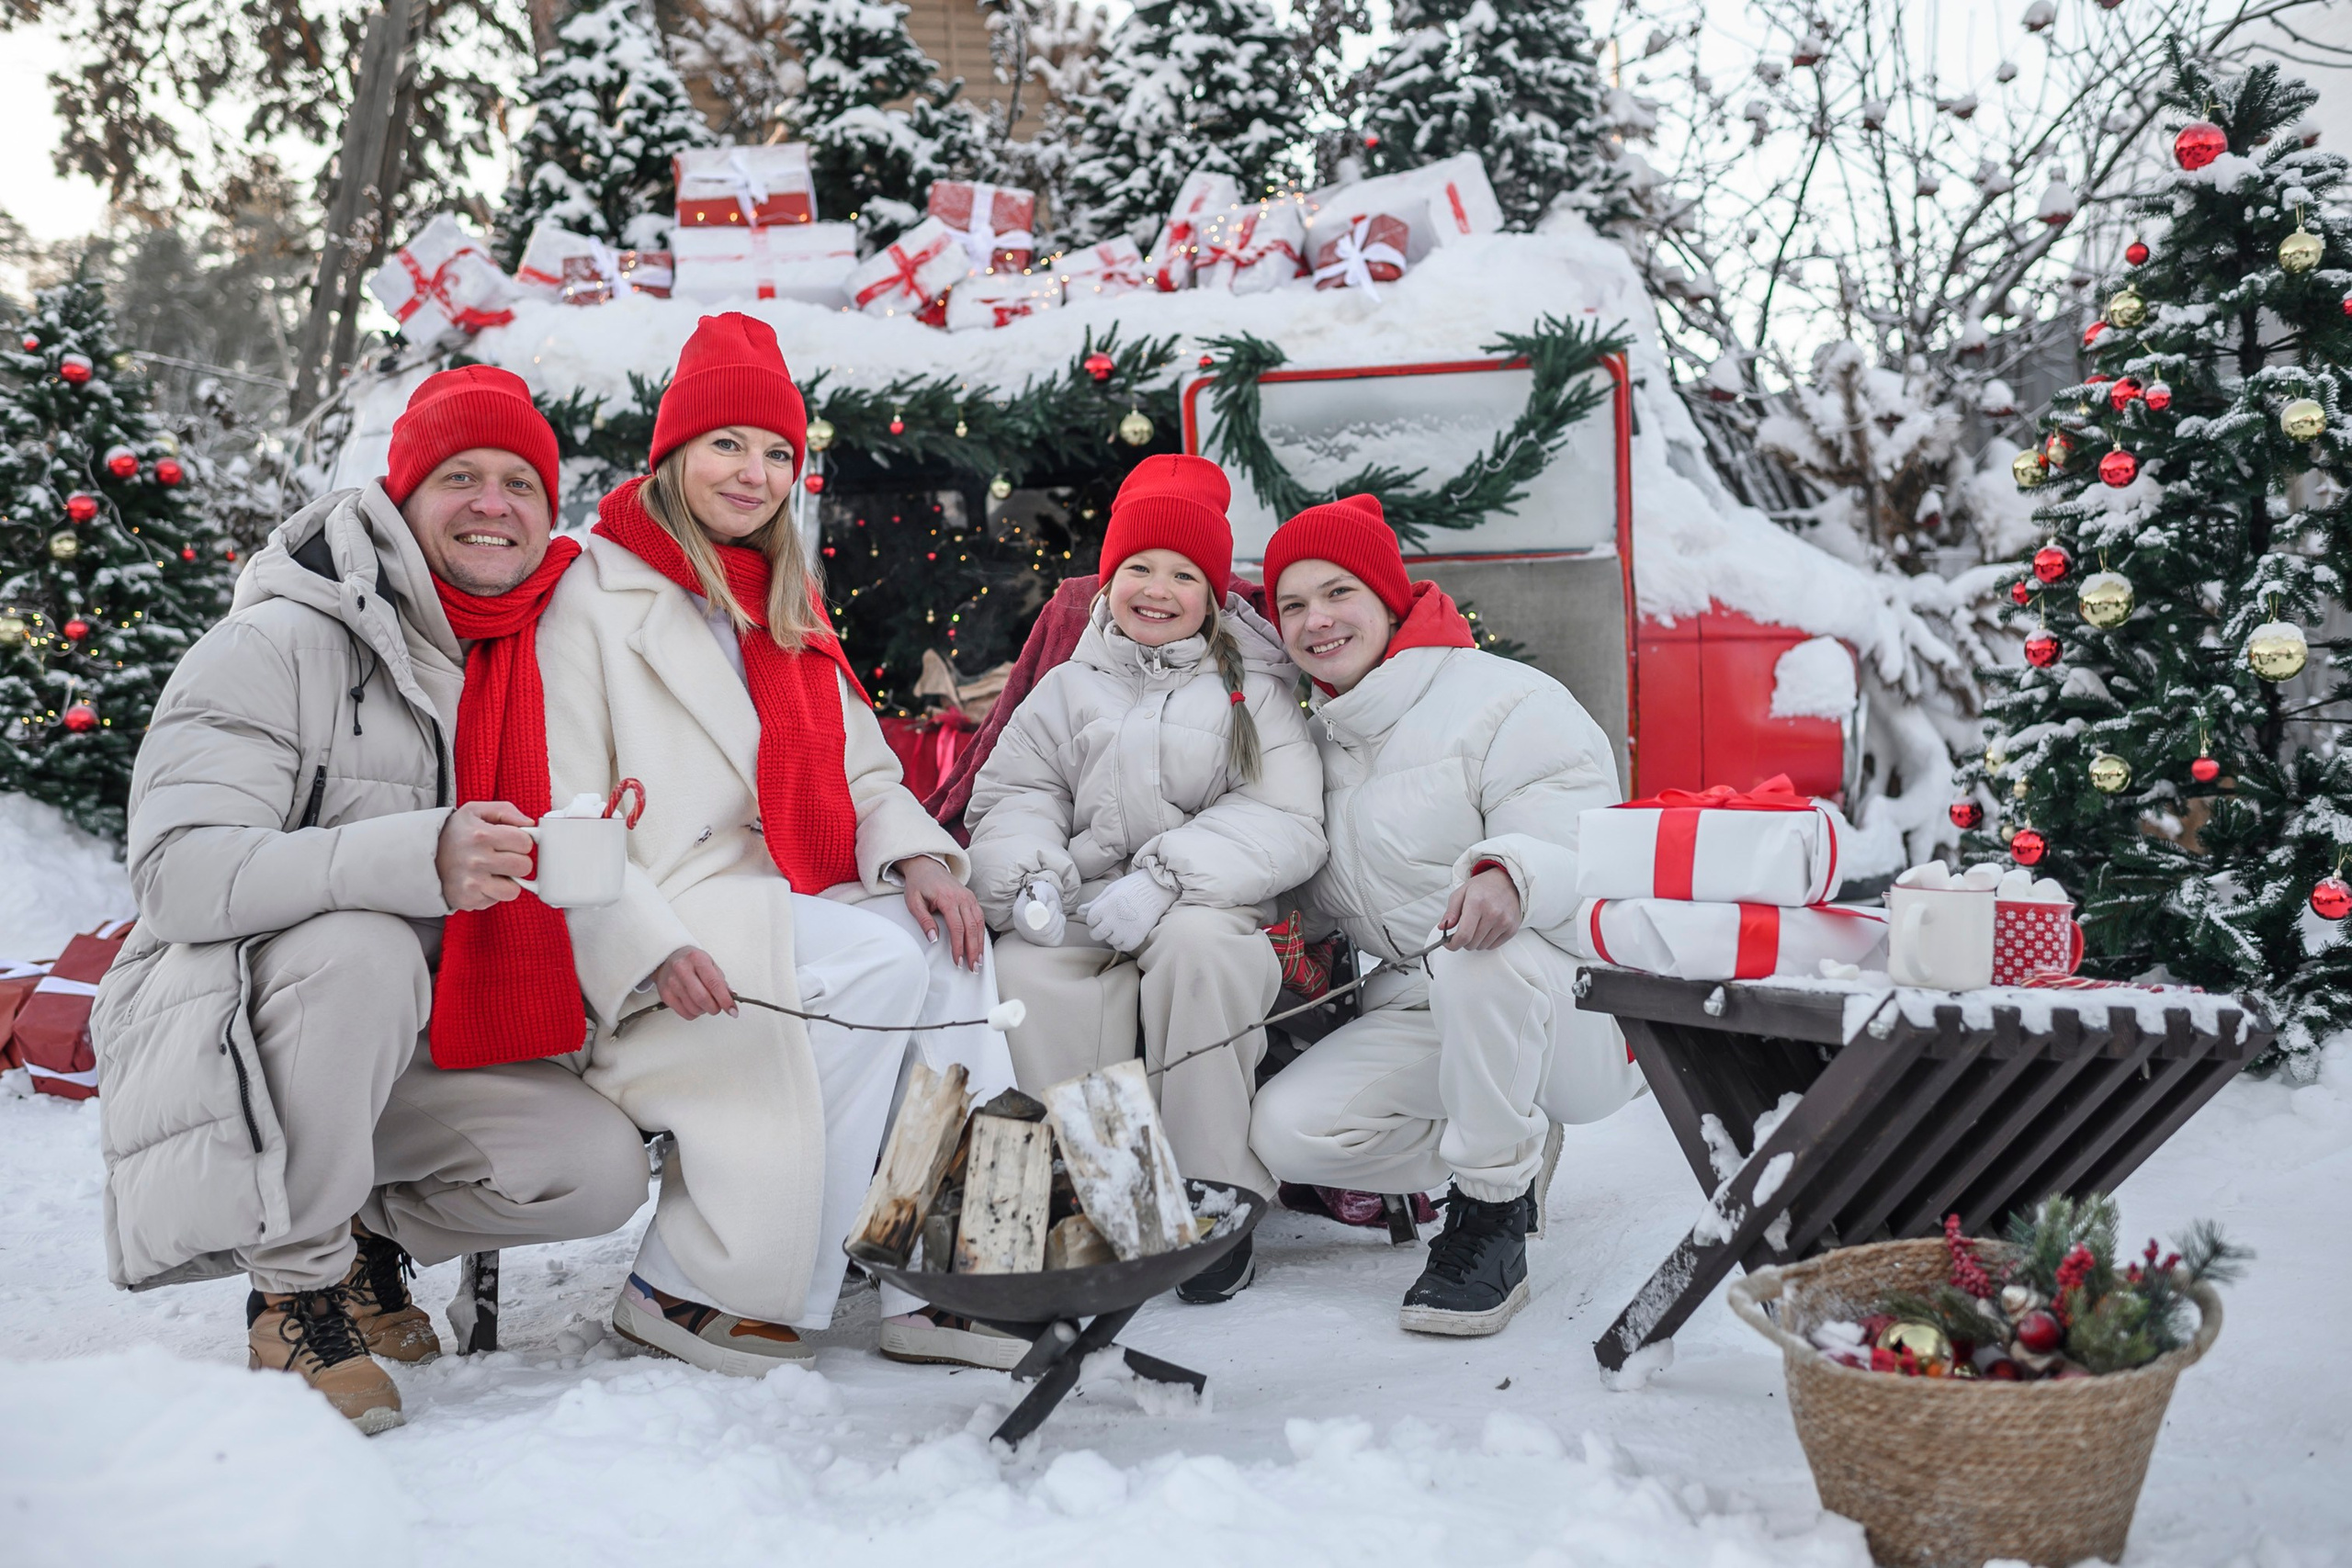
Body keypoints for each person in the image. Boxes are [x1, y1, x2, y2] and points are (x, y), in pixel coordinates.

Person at [90, 367, 654, 1433]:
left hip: (424, 1041)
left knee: (593, 1171)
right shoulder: (281, 643)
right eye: (460, 477)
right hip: (242, 1031)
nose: (493, 505)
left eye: (520, 484)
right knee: (364, 945)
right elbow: (177, 872)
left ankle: (358, 1237)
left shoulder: (547, 651)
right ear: (399, 497)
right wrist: (412, 856)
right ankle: (294, 1291)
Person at [536, 312, 1018, 1376]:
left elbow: (862, 771)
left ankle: (954, 1271)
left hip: (787, 887)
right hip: (666, 909)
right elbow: (561, 807)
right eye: (728, 445)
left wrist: (922, 860)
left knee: (952, 947)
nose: (754, 474)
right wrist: (642, 944)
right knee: (879, 961)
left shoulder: (784, 599)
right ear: (673, 455)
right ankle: (693, 1287)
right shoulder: (588, 593)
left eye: (776, 454)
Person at [1247, 496, 1642, 1337]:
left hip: (1564, 1005)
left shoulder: (1505, 699)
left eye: (1337, 592)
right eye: (1292, 603)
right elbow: (1303, 888)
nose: (1316, 620)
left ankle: (1490, 1221)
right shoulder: (1312, 746)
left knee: (1476, 955)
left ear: (1390, 599)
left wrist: (1511, 871)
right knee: (1284, 1132)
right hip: (1428, 1010)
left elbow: (1584, 839)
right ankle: (1504, 1148)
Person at [965, 455, 1325, 1303]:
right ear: (1109, 577)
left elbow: (1286, 816)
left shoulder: (1255, 689)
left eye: (1182, 573)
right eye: (1138, 567)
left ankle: (1212, 1190)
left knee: (1202, 955)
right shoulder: (1068, 685)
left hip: (1206, 903)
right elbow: (1017, 792)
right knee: (1025, 970)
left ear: (1212, 592)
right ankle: (1113, 1193)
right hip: (1088, 902)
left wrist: (1167, 878)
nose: (1156, 588)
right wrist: (1031, 881)